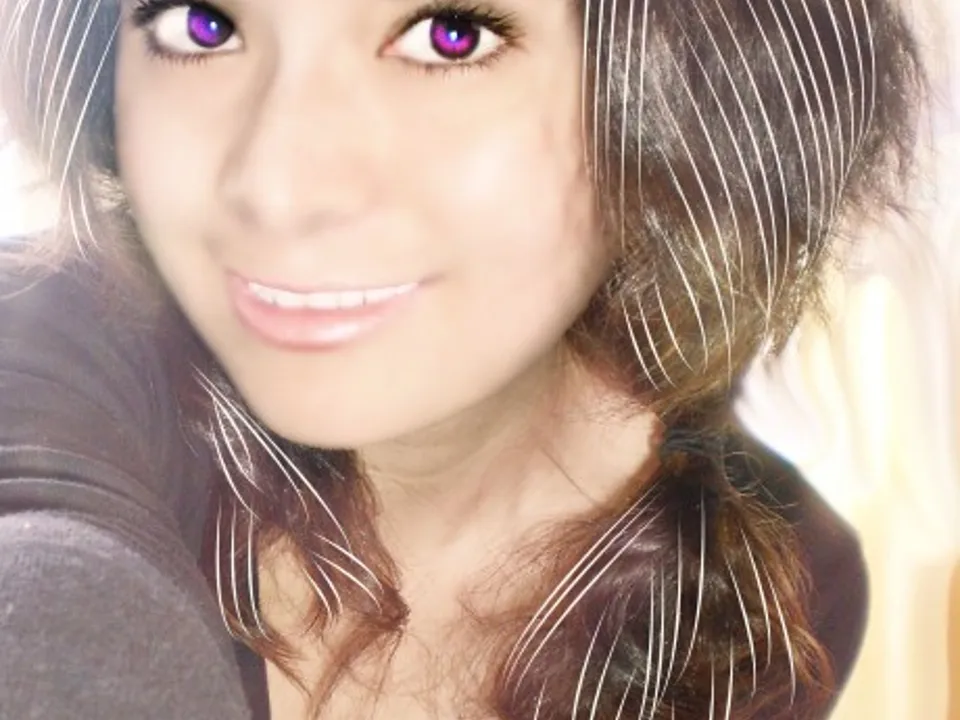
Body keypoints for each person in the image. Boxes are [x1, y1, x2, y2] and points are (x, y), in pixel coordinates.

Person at [0, 1, 921, 718]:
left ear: (689, 88)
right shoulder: (42, 352)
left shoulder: (778, 590)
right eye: (201, 24)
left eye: (450, 36)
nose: (275, 185)